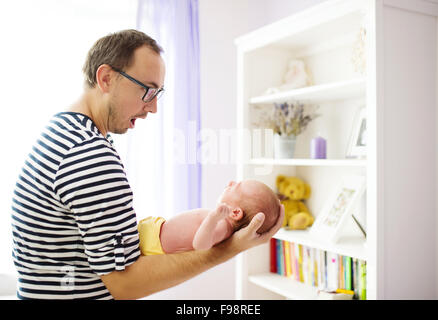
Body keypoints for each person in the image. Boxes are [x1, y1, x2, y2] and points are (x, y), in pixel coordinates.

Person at [10, 29, 284, 300]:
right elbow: (127, 284)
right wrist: (230, 249)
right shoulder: (89, 154)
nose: (153, 108)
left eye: (158, 93)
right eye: (148, 91)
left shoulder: (61, 133)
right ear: (106, 78)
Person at [138, 180, 280, 255]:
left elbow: (200, 246)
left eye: (235, 187)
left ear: (235, 213)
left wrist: (213, 219)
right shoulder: (221, 224)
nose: (230, 182)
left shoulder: (222, 227)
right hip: (156, 231)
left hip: (154, 241)